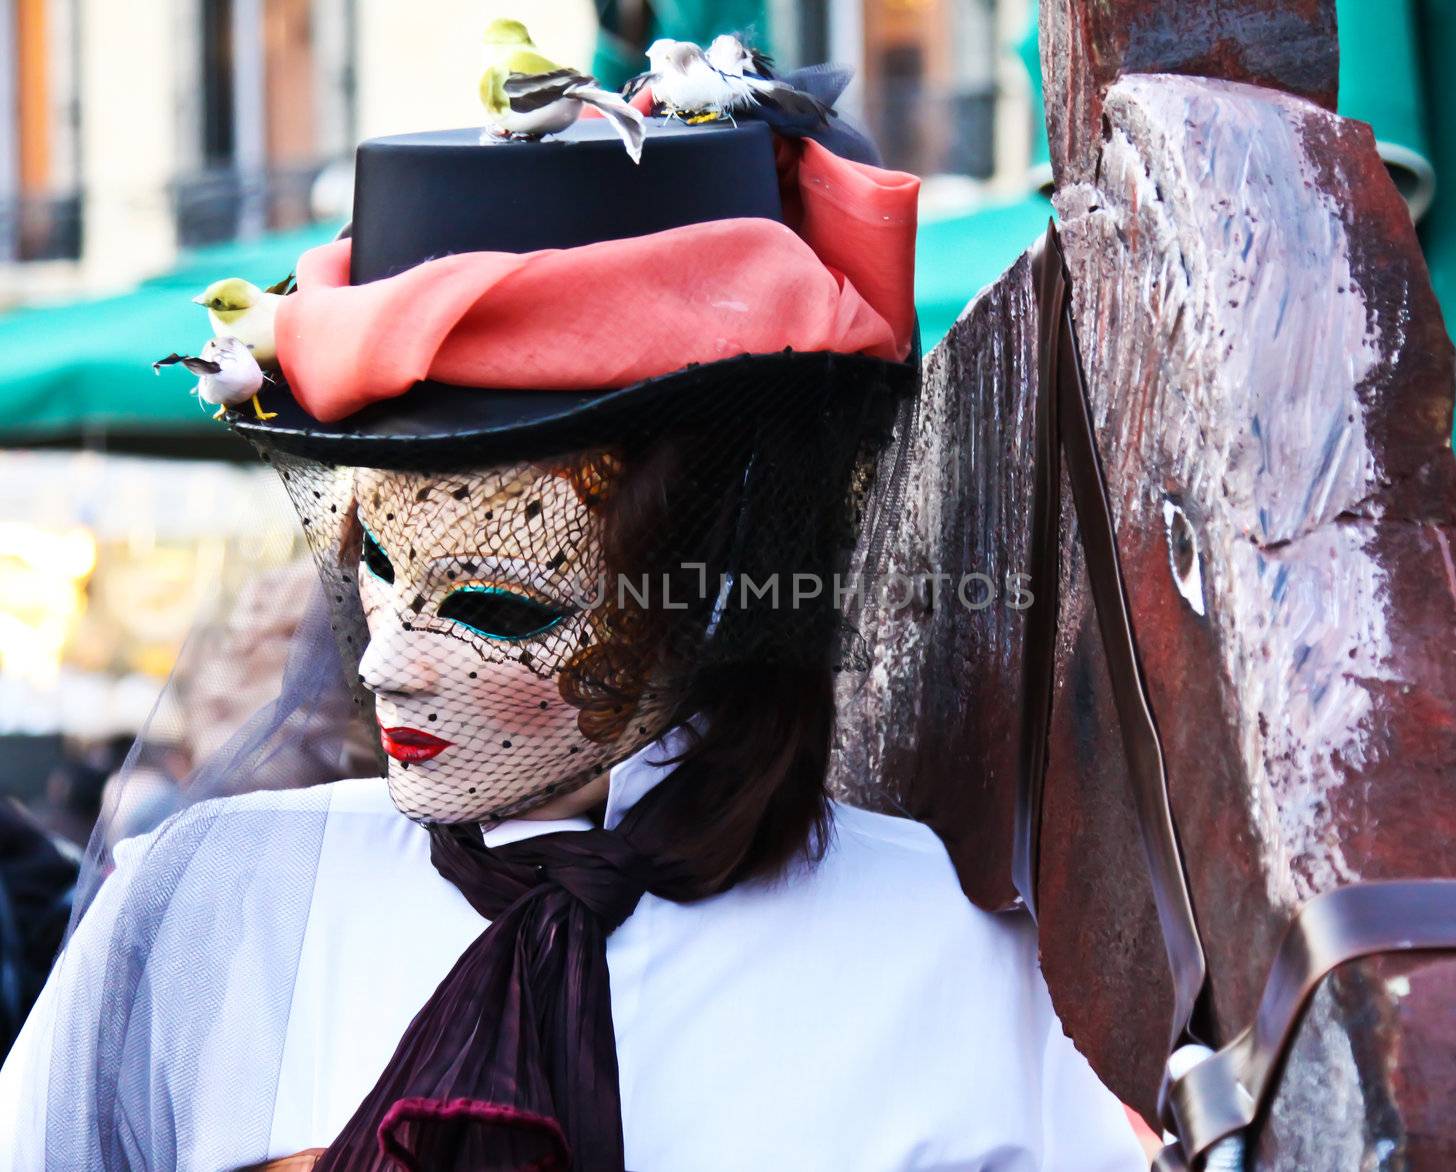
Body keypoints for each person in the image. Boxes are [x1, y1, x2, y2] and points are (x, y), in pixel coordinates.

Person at [0, 81, 1145, 1172]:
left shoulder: (938, 953)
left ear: (708, 585)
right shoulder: (215, 909)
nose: (388, 661)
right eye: (380, 572)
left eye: (499, 603)